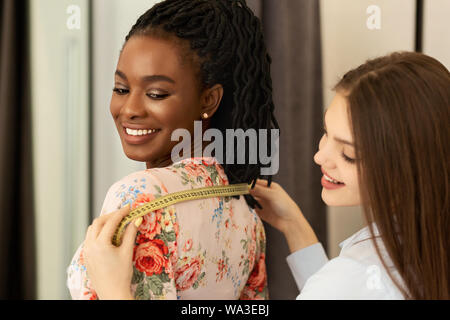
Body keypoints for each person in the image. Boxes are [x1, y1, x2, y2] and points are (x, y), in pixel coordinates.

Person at [66, 0, 279, 300]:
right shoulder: (244, 210)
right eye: (121, 89)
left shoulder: (137, 196)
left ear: (209, 100)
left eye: (156, 93)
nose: (130, 109)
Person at [250, 51, 450, 299]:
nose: (320, 157)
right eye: (326, 132)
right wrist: (293, 225)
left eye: (348, 154)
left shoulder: (355, 275)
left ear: (405, 167)